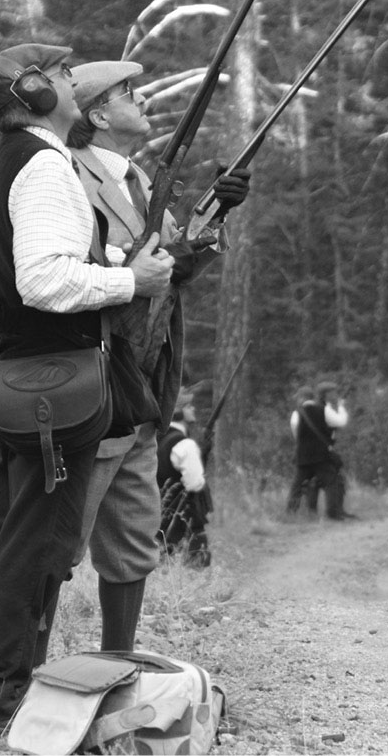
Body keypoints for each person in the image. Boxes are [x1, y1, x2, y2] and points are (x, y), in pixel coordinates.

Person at [0, 43, 175, 738]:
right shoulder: (44, 164)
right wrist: (129, 283)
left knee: (5, 547)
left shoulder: (16, 158)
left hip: (33, 380)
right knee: (33, 553)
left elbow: (42, 259)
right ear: (37, 94)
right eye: (62, 76)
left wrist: (112, 259)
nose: (74, 81)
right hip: (56, 385)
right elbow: (42, 282)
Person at [66, 61, 249, 648]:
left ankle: (117, 664)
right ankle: (9, 684)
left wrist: (217, 210)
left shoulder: (139, 179)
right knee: (57, 545)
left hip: (140, 391)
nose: (142, 98)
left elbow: (176, 263)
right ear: (97, 115)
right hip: (91, 383)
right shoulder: (68, 174)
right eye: (127, 93)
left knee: (134, 541)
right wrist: (136, 263)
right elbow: (84, 269)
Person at [156, 391, 212, 567]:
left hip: (162, 514)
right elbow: (195, 484)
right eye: (188, 406)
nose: (193, 408)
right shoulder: (185, 444)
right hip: (185, 517)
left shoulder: (159, 438)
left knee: (165, 561)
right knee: (196, 565)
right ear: (177, 411)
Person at [286, 381, 351, 520]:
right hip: (321, 456)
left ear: (301, 398)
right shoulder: (324, 409)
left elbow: (296, 435)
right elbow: (341, 422)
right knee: (331, 482)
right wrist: (340, 407)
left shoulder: (296, 414)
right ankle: (333, 514)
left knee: (297, 486)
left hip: (303, 456)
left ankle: (290, 514)